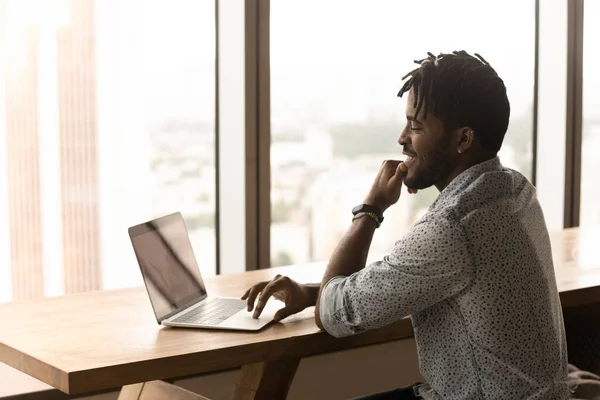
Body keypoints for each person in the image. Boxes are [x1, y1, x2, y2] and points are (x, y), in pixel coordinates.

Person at [242, 51, 569, 399]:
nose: (402, 138)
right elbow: (406, 279)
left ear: (463, 139)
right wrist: (310, 293)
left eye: (415, 126)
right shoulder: (516, 190)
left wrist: (370, 208)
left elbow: (332, 315)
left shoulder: (452, 227)